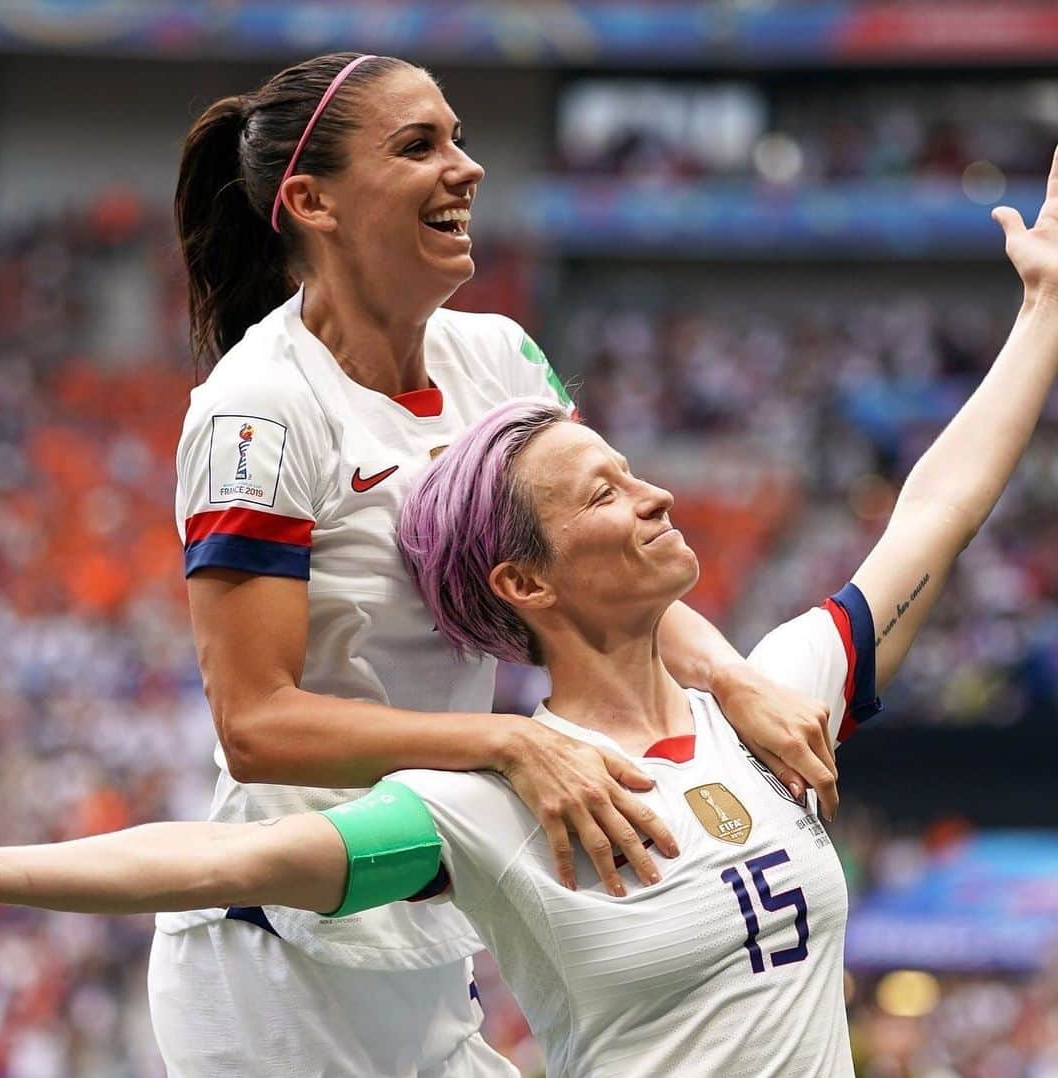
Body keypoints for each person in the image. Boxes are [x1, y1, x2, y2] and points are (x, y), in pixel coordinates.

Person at [0, 157, 1057, 1075]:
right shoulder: (494, 802)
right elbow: (225, 865)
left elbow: (938, 513)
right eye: (603, 492)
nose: (657, 495)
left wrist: (1044, 310)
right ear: (523, 583)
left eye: (632, 471)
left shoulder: (769, 706)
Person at [159, 49, 835, 1076]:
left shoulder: (504, 357)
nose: (466, 168)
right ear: (311, 200)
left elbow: (614, 557)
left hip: (420, 928)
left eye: (461, 138)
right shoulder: (258, 411)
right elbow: (256, 726)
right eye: (419, 146)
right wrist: (505, 745)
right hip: (274, 961)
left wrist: (734, 680)